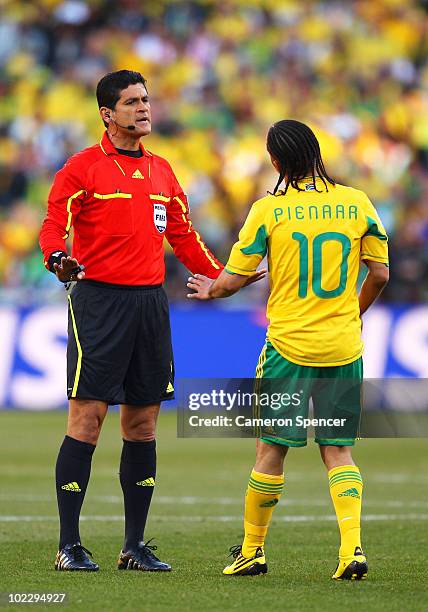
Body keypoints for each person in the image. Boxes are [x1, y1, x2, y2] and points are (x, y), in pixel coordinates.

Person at [39, 69, 233, 572]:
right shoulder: (80, 169)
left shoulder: (164, 172)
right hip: (99, 303)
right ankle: (68, 545)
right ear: (108, 114)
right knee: (88, 419)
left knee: (143, 425)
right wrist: (58, 259)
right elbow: (52, 228)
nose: (144, 108)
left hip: (150, 304)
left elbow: (186, 239)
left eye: (146, 99)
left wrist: (226, 277)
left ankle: (134, 545)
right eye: (132, 102)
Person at [187, 119, 389, 580]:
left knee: (270, 449)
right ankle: (351, 549)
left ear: (275, 163)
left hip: (289, 347)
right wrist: (353, 314)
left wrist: (211, 291)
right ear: (317, 153)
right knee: (338, 449)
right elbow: (380, 275)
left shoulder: (268, 210)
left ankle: (252, 552)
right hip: (343, 346)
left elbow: (235, 278)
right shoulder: (357, 203)